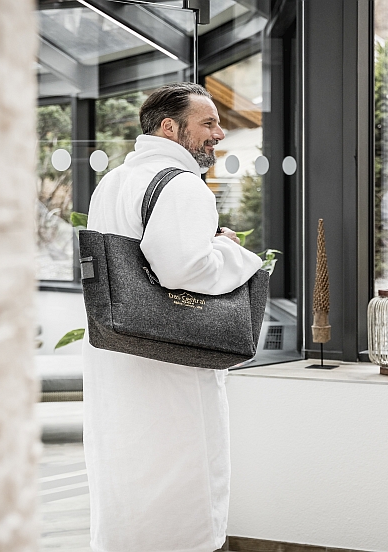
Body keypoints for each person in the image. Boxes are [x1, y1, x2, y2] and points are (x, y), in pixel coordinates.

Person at [82, 83, 262, 552]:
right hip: (169, 354)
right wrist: (234, 253)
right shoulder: (181, 184)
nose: (219, 134)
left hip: (117, 347)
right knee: (182, 477)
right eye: (208, 123)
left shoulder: (115, 181)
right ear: (170, 128)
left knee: (127, 469)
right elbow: (183, 268)